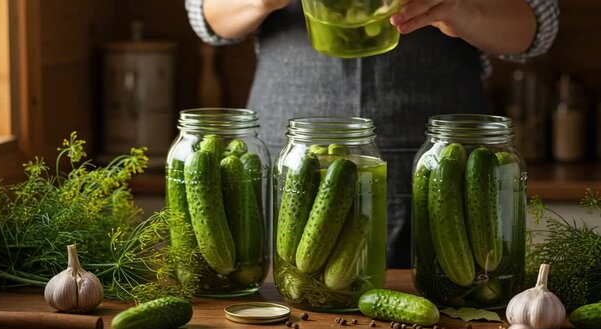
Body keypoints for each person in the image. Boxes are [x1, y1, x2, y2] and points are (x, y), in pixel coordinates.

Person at [185, 0, 559, 268]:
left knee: (454, 299)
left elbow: (537, 27)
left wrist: (465, 9)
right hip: (293, 157)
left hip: (442, 160)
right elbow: (205, 16)